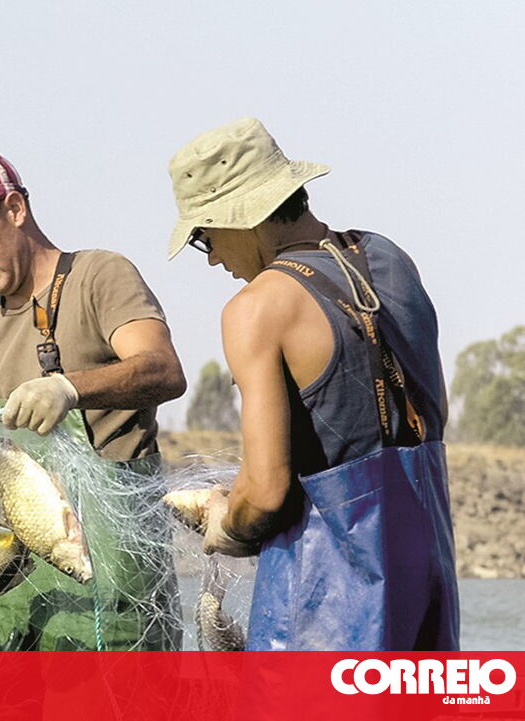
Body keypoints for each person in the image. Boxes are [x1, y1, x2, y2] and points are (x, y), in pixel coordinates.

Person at [166, 117, 459, 650]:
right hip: (428, 575)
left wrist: (226, 522)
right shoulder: (390, 257)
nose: (214, 258)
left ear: (241, 217)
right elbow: (427, 415)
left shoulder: (256, 308)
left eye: (206, 238)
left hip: (325, 601)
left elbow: (266, 493)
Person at [0, 125, 188, 651]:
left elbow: (163, 369)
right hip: (1, 603)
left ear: (14, 209)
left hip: (109, 594)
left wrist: (69, 389)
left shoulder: (99, 277)